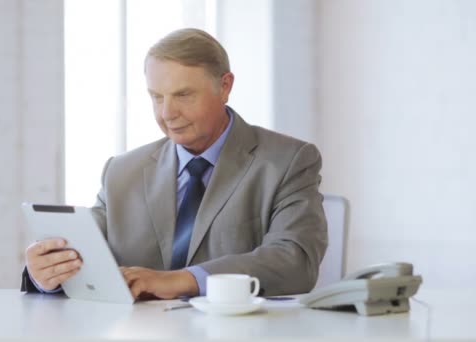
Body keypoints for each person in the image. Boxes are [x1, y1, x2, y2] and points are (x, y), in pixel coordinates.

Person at [21, 28, 328, 299]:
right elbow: (87, 254)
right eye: (156, 97)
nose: (167, 113)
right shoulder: (122, 172)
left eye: (183, 95)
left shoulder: (287, 160)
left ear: (225, 87)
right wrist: (47, 274)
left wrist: (182, 280)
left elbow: (294, 262)